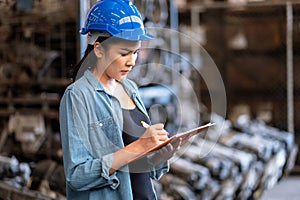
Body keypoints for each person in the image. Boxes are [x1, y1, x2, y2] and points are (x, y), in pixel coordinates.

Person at [59, 0, 181, 199]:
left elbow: (137, 165)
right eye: (124, 53)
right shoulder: (78, 96)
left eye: (135, 52)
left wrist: (159, 155)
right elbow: (77, 176)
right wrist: (139, 146)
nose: (132, 62)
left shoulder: (130, 88)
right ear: (98, 49)